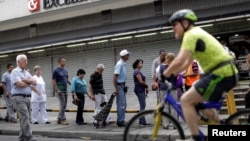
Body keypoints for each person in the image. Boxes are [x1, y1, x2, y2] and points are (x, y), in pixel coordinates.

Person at [162, 9, 238, 141]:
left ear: (185, 23)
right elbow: (186, 62)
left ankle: (196, 138)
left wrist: (164, 74)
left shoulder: (190, 35)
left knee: (185, 100)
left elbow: (179, 60)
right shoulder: (195, 34)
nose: (172, 28)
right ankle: (223, 125)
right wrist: (173, 73)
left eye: (174, 25)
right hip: (224, 74)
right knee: (198, 102)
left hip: (221, 75)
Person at [10, 54, 37, 141]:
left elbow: (35, 82)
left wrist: (26, 81)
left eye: (26, 60)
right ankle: (28, 136)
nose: (26, 62)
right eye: (24, 60)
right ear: (18, 62)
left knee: (24, 118)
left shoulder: (26, 73)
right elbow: (19, 85)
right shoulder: (15, 72)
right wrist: (29, 82)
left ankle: (22, 137)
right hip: (18, 97)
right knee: (25, 116)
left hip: (27, 97)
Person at [156, 52, 178, 129]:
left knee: (164, 106)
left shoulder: (160, 67)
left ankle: (165, 124)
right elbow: (176, 76)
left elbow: (158, 77)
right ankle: (175, 124)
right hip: (172, 88)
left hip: (163, 88)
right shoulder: (173, 66)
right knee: (173, 106)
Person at [113, 49, 130, 127]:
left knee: (123, 104)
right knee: (121, 104)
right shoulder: (119, 64)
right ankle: (120, 121)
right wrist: (116, 88)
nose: (128, 56)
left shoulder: (123, 64)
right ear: (124, 56)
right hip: (120, 86)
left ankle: (121, 120)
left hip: (122, 85)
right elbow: (114, 76)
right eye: (127, 55)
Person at [52, 57, 71, 125]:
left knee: (64, 105)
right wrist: (57, 90)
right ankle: (63, 119)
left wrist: (73, 84)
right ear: (59, 62)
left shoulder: (65, 70)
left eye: (65, 61)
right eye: (63, 61)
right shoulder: (56, 70)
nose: (65, 62)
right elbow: (53, 80)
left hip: (65, 90)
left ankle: (59, 119)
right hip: (60, 91)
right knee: (62, 105)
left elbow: (67, 79)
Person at [132, 59, 149, 126]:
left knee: (143, 105)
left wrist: (146, 88)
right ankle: (142, 122)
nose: (141, 64)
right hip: (139, 90)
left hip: (141, 90)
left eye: (142, 63)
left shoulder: (139, 71)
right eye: (140, 63)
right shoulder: (136, 72)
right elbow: (141, 82)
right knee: (143, 105)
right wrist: (147, 86)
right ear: (137, 64)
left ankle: (142, 121)